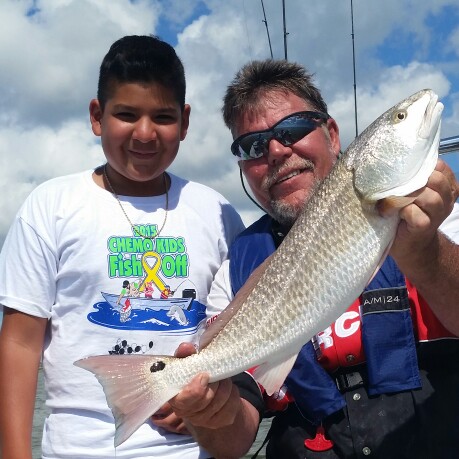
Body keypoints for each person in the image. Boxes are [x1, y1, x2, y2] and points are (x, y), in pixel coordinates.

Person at [170, 59, 459, 459]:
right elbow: (231, 442)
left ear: (333, 135)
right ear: (243, 167)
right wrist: (209, 415)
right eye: (253, 145)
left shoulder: (440, 216)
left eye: (293, 128)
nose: (275, 150)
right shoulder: (236, 271)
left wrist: (424, 253)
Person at [0, 35, 253, 459]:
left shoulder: (216, 211)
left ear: (185, 122)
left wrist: (207, 398)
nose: (145, 133)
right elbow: (20, 343)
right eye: (126, 114)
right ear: (97, 116)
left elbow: (231, 329)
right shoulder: (52, 205)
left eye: (163, 117)